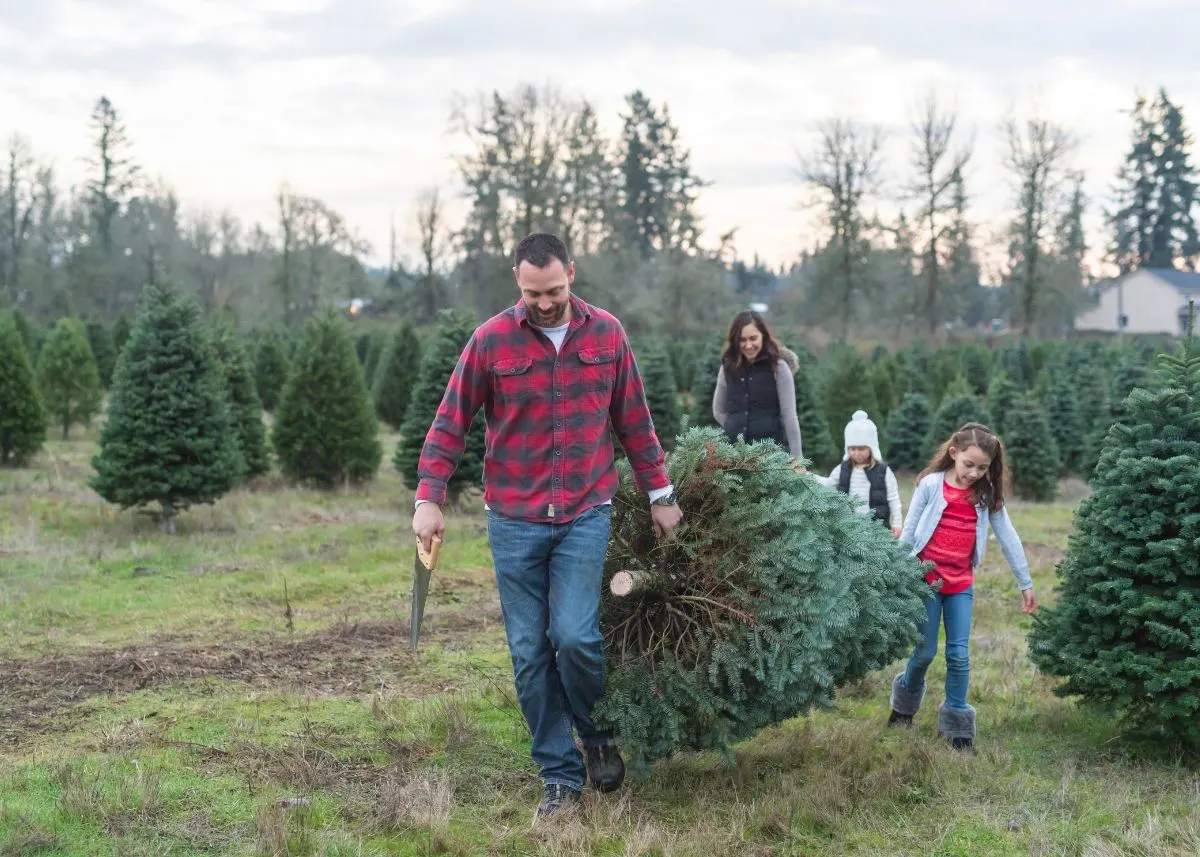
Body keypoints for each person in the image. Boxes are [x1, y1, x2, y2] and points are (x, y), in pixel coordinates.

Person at [411, 233, 683, 822]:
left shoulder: (607, 334)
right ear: (517, 281)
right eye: (533, 292)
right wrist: (429, 499)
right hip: (514, 520)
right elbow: (449, 425)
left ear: (572, 275)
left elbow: (634, 420)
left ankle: (596, 733)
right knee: (530, 653)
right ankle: (559, 776)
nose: (544, 302)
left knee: (576, 637)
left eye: (554, 290)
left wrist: (660, 492)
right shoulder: (491, 341)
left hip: (586, 512)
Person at [886, 423, 1037, 753]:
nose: (974, 473)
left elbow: (1009, 538)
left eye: (983, 467)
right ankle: (903, 705)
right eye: (969, 464)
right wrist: (893, 572)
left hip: (960, 585)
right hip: (925, 582)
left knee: (959, 654)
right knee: (924, 652)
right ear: (953, 454)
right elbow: (910, 533)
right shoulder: (930, 485)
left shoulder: (986, 496)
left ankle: (957, 728)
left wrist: (1025, 582)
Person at [711, 310, 804, 468]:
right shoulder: (727, 368)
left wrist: (798, 460)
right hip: (733, 458)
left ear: (763, 336)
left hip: (769, 458)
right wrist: (734, 426)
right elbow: (718, 410)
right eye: (742, 340)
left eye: (753, 338)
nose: (748, 345)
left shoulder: (779, 368)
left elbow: (789, 415)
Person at [817, 410, 902, 536]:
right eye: (852, 449)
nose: (856, 453)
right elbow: (828, 484)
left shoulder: (883, 471)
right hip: (849, 529)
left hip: (876, 530)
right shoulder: (843, 469)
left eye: (861, 448)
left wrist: (897, 523)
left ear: (871, 447)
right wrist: (807, 475)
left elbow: (893, 498)